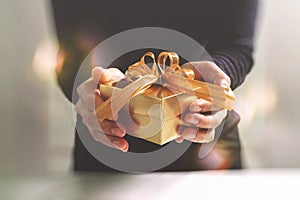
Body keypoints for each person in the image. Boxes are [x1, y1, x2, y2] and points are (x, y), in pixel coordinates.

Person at [51, 0, 258, 171]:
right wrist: (91, 88)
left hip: (207, 148)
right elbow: (69, 55)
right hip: (105, 149)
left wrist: (215, 78)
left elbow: (238, 44)